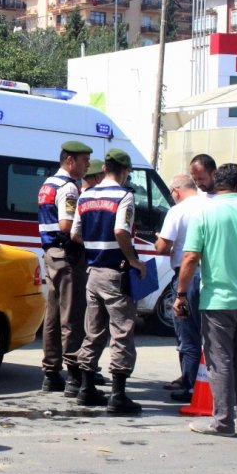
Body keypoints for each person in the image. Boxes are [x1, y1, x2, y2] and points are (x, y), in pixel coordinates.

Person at [175, 163, 237, 437]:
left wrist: (181, 294)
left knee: (220, 361)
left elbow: (189, 258)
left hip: (218, 302)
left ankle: (223, 421)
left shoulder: (204, 214)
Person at [71, 148, 147, 415]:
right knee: (122, 331)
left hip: (93, 272)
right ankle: (118, 395)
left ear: (104, 168)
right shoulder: (124, 196)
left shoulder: (86, 196)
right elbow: (121, 230)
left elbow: (75, 233)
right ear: (125, 172)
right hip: (116, 272)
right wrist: (133, 259)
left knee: (93, 331)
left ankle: (86, 388)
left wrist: (95, 247)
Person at [37, 141, 91, 395]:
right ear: (70, 161)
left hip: (51, 254)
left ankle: (51, 372)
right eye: (84, 160)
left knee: (53, 315)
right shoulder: (68, 188)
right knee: (72, 315)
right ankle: (73, 374)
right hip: (67, 254)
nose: (88, 165)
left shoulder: (48, 183)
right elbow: (66, 225)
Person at [153, 175, 208, 403]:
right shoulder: (209, 205)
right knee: (206, 331)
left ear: (175, 192)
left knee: (186, 331)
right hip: (209, 276)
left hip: (187, 278)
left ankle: (189, 385)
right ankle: (201, 381)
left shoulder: (177, 211)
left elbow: (162, 247)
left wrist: (158, 240)